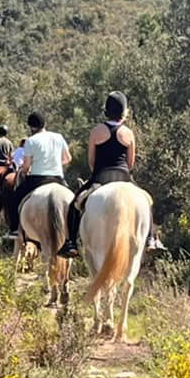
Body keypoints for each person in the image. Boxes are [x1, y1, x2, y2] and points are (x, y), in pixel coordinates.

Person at [57, 91, 165, 259]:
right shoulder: (128, 133)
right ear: (124, 111)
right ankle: (151, 238)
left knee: (74, 204)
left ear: (106, 110)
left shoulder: (96, 131)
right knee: (147, 200)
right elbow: (131, 162)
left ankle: (71, 242)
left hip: (100, 177)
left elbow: (91, 160)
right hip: (123, 175)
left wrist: (96, 172)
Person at [4, 112, 71, 237]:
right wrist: (55, 164)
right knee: (73, 203)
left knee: (14, 199)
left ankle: (14, 230)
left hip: (37, 179)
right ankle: (73, 236)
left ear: (31, 127)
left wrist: (25, 171)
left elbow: (26, 166)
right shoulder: (58, 137)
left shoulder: (31, 141)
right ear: (45, 124)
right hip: (57, 178)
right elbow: (68, 158)